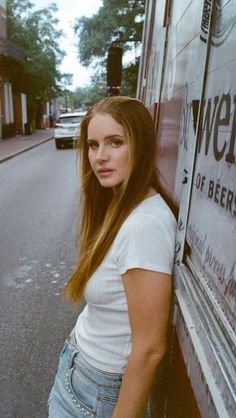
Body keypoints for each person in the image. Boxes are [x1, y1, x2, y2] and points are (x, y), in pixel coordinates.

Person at [48, 96, 177, 418]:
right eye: (93, 145)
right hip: (79, 370)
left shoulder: (145, 225)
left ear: (142, 146)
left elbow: (149, 349)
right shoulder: (120, 205)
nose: (100, 157)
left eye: (115, 142)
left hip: (99, 393)